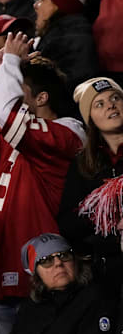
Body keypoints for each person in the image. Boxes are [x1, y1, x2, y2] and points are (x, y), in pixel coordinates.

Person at [0, 33, 85, 334]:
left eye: (17, 87)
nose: (8, 91)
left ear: (41, 98)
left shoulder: (66, 133)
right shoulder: (18, 132)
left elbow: (8, 117)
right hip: (3, 258)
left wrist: (12, 61)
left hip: (42, 267)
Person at [58, 78, 123, 295]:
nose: (111, 105)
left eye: (115, 98)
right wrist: (103, 210)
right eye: (100, 104)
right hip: (106, 275)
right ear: (91, 120)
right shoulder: (83, 165)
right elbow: (67, 224)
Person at [10, 233, 117, 334]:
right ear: (36, 273)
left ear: (75, 261)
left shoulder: (95, 298)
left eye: (64, 255)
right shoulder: (30, 305)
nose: (58, 263)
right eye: (46, 260)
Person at [33, 0, 98, 93]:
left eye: (42, 0)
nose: (36, 5)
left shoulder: (71, 39)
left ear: (60, 6)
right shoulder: (59, 35)